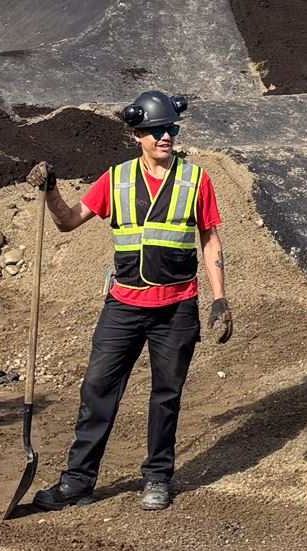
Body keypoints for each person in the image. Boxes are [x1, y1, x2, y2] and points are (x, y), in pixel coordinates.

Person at [23, 90, 229, 513]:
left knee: (166, 396)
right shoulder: (116, 180)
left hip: (177, 307)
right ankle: (77, 483)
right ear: (138, 135)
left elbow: (209, 238)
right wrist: (50, 191)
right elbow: (67, 222)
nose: (165, 137)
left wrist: (220, 300)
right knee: (97, 388)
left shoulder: (196, 180)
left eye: (170, 128)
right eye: (156, 131)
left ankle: (157, 477)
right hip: (124, 307)